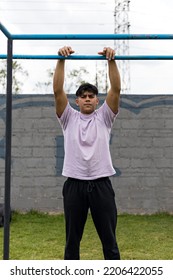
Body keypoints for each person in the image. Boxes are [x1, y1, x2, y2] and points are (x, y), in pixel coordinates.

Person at [53, 46, 121, 260]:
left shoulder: (105, 117)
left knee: (109, 241)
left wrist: (111, 61)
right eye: (83, 96)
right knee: (72, 241)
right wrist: (61, 60)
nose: (88, 99)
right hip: (74, 184)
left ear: (97, 100)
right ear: (77, 101)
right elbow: (57, 91)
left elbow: (116, 90)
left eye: (91, 96)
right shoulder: (68, 118)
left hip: (101, 184)